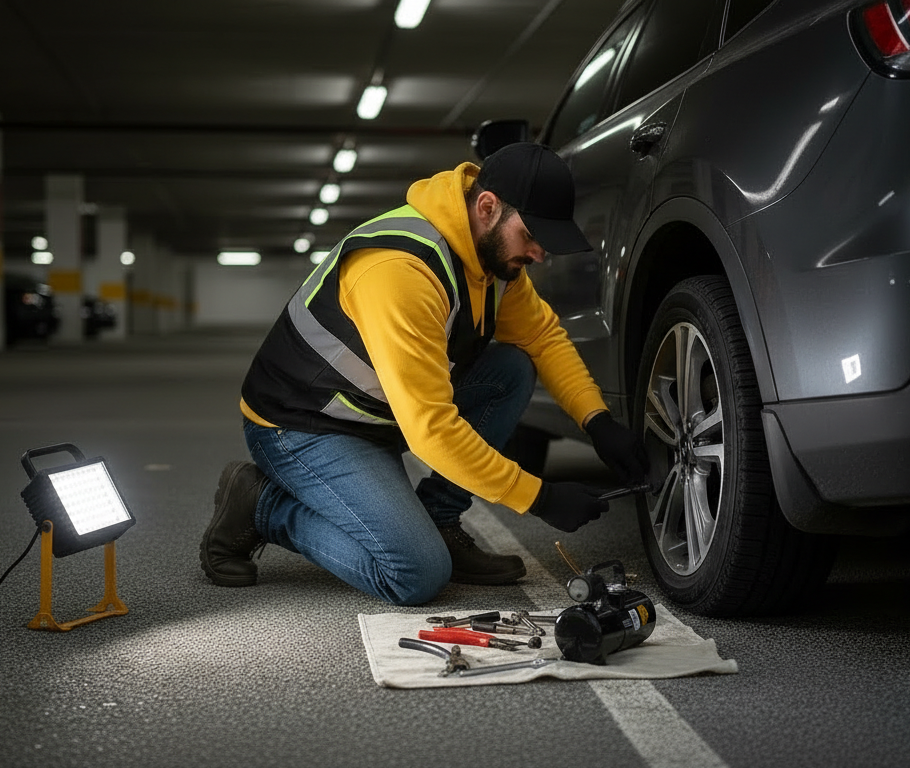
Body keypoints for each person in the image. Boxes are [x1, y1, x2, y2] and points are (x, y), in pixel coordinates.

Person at [199, 142, 647, 606]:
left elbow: (542, 339)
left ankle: (440, 519)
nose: (538, 254)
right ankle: (263, 506)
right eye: (532, 235)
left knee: (511, 368)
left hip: (376, 416)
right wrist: (538, 497)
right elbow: (431, 429)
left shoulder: (491, 260)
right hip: (302, 428)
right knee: (416, 574)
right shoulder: (401, 271)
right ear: (488, 207)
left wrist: (598, 422)